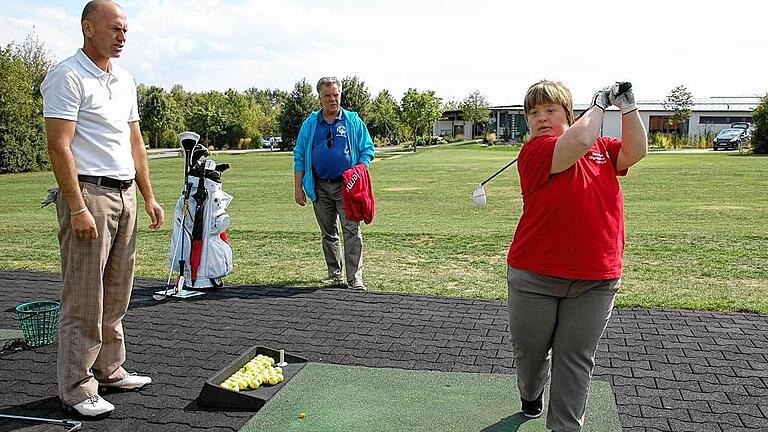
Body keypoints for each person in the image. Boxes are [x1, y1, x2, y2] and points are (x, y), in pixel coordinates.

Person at [40, 0, 164, 418]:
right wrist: (76, 206)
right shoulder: (66, 76)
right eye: (114, 28)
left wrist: (147, 195)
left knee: (117, 292)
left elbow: (135, 144)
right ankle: (77, 388)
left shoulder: (125, 79)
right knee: (84, 298)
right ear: (87, 27)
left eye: (126, 30)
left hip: (125, 193)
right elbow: (58, 144)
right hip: (89, 195)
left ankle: (109, 369)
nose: (122, 36)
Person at [505, 80, 647, 431]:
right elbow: (579, 140)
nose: (541, 118)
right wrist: (599, 103)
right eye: (533, 113)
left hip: (596, 278)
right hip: (534, 276)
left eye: (550, 110)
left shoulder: (601, 146)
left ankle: (564, 427)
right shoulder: (535, 151)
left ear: (568, 113)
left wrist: (627, 107)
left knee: (575, 359)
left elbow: (636, 151)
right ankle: (531, 392)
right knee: (531, 353)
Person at [293, 77, 375, 290]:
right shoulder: (310, 123)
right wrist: (298, 187)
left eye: (336, 95)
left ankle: (354, 278)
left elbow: (368, 150)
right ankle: (334, 272)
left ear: (340, 95)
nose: (332, 99)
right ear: (319, 97)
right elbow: (300, 154)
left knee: (351, 230)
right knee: (328, 232)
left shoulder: (353, 121)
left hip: (346, 187)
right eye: (327, 95)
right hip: (319, 185)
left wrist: (358, 170)